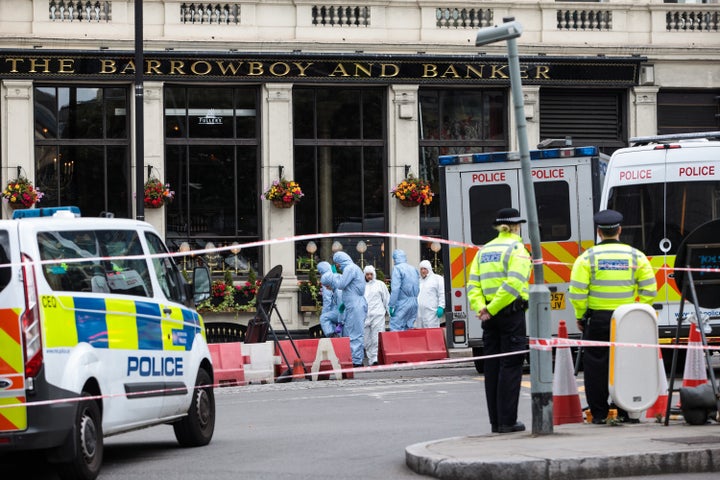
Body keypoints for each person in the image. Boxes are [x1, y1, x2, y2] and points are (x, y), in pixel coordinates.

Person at [569, 209, 657, 424]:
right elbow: (650, 290)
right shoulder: (636, 256)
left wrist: (581, 316)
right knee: (626, 365)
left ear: (599, 232)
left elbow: (577, 292)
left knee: (596, 367)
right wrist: (637, 312)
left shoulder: (586, 258)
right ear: (620, 230)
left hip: (597, 320)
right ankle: (627, 411)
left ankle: (599, 415)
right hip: (626, 321)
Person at [467, 207, 531, 434]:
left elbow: (472, 284)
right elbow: (513, 284)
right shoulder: (517, 248)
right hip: (510, 315)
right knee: (511, 366)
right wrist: (493, 308)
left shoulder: (483, 251)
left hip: (489, 318)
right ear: (516, 226)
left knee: (492, 367)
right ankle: (507, 421)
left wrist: (482, 308)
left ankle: (495, 421)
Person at [328, 251, 368, 367]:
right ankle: (356, 359)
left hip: (355, 306)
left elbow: (341, 284)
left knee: (355, 334)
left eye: (337, 264)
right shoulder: (354, 268)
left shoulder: (349, 269)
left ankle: (356, 361)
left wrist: (334, 277)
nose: (337, 266)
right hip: (355, 305)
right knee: (355, 332)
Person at [363, 265, 390, 366]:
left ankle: (375, 358)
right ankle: (371, 357)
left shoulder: (380, 285)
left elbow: (386, 298)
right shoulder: (361, 286)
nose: (369, 276)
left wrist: (390, 311)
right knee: (366, 339)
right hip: (365, 315)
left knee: (376, 337)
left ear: (374, 274)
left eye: (371, 274)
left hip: (378, 314)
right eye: (367, 274)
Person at [388, 249, 420, 331]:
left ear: (395, 259)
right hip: (414, 302)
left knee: (396, 328)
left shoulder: (397, 269)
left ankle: (395, 344)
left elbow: (395, 289)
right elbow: (417, 286)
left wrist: (392, 305)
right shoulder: (413, 269)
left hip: (403, 303)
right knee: (408, 328)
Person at [416, 259, 445, 329]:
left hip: (431, 313)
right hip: (419, 313)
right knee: (421, 335)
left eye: (425, 269)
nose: (423, 271)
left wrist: (441, 306)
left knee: (432, 333)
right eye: (421, 269)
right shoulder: (419, 281)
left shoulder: (437, 279)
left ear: (429, 269)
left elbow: (442, 293)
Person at [318, 261, 343, 338]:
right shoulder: (336, 277)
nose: (327, 288)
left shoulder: (337, 291)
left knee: (324, 318)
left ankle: (332, 337)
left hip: (343, 315)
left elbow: (341, 307)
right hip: (348, 315)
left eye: (327, 286)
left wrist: (340, 322)